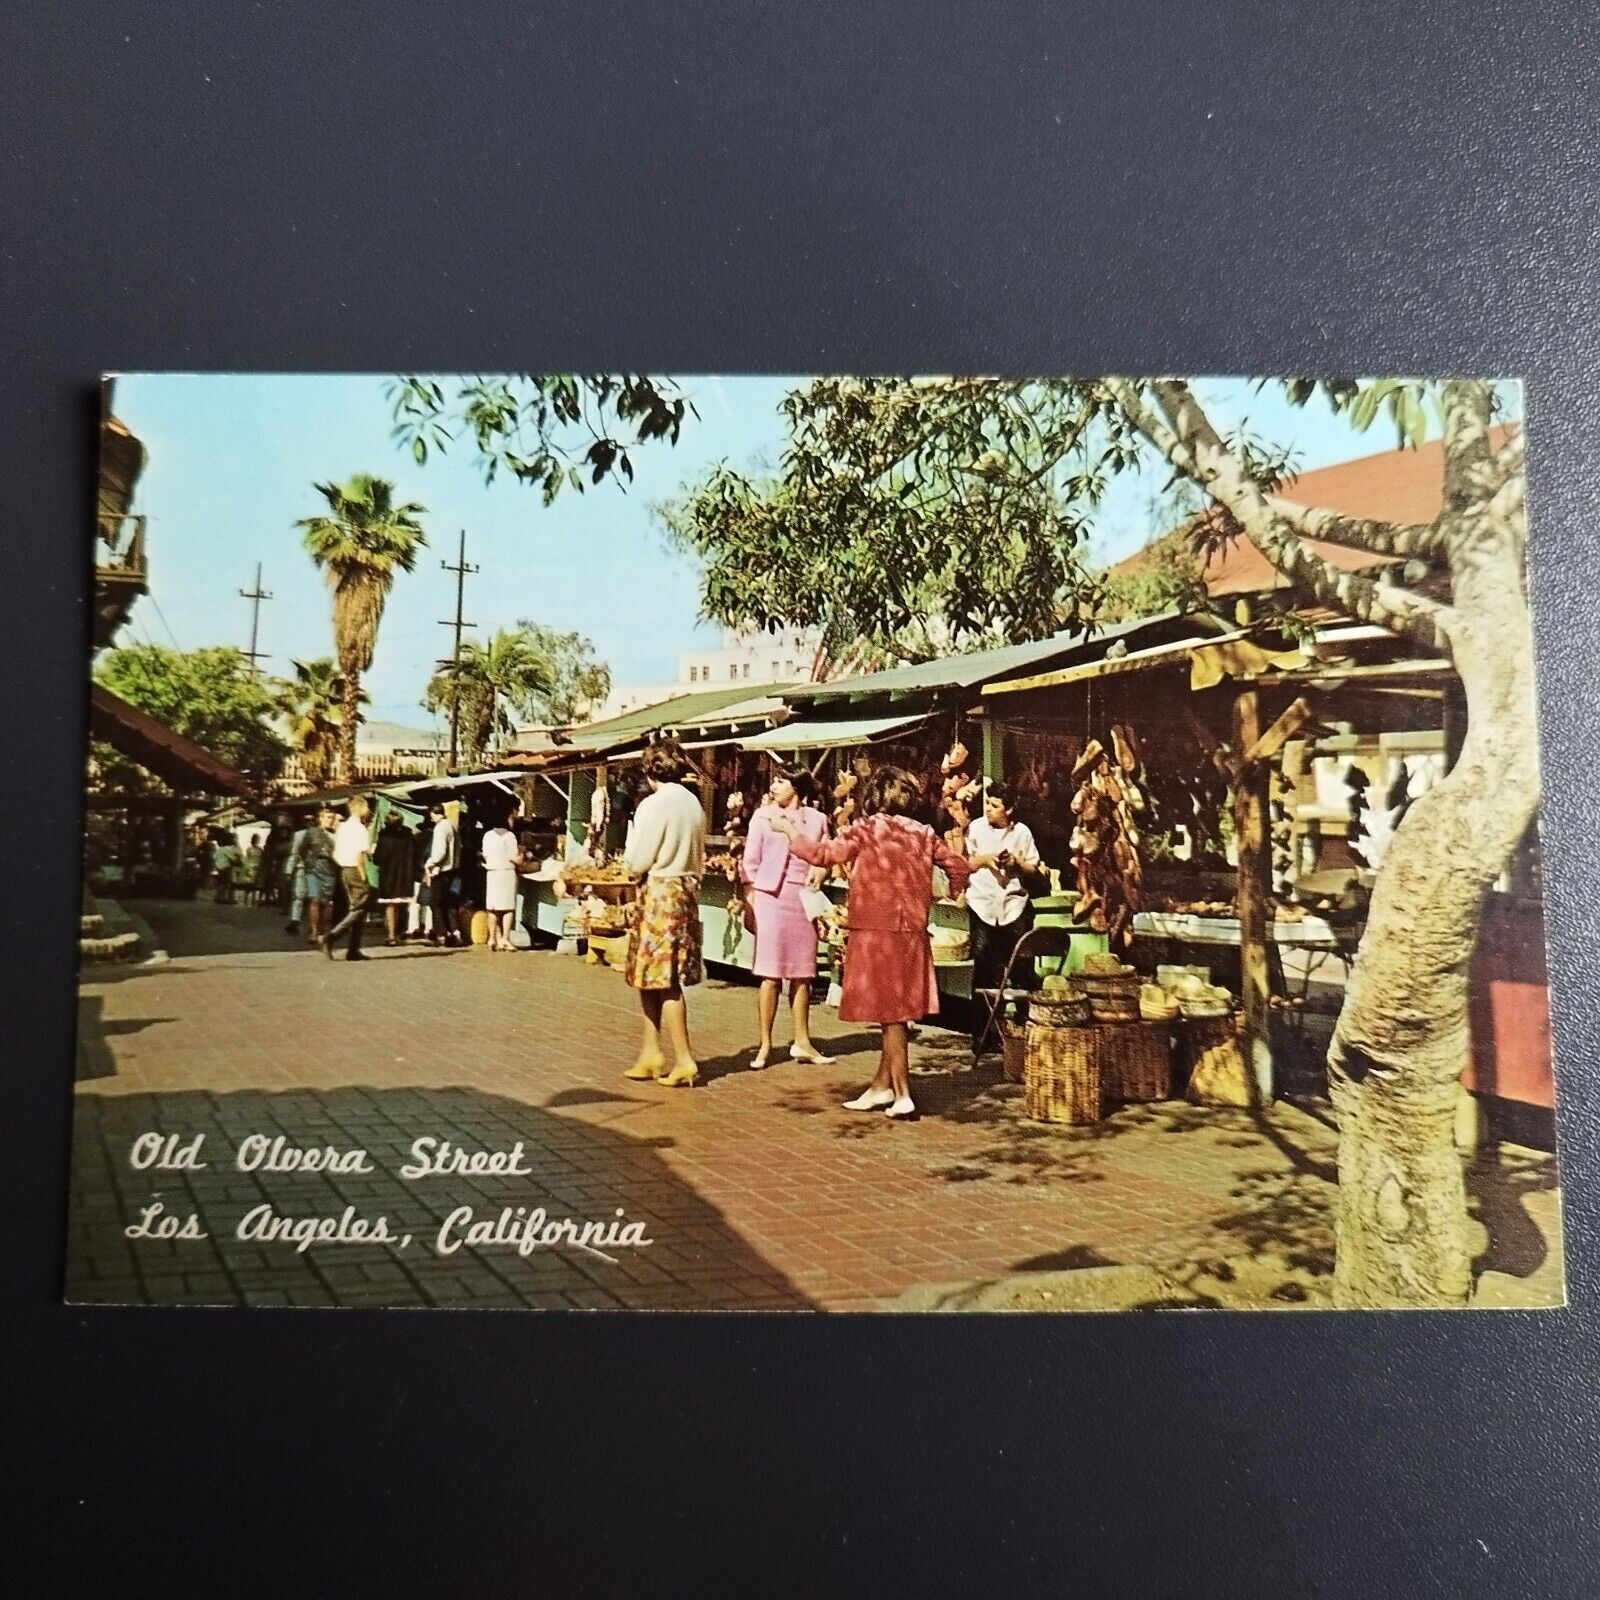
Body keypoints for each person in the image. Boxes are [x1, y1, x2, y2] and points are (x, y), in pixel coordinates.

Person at [772, 763, 971, 1120]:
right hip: (912, 931)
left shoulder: (866, 829)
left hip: (874, 931)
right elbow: (959, 866)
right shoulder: (924, 832)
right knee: (893, 1012)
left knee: (890, 1014)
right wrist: (949, 892)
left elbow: (823, 855)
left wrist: (787, 828)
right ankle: (881, 1086)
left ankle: (903, 1093)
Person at [620, 739, 706, 1088]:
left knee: (661, 979)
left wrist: (630, 863)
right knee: (655, 977)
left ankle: (684, 1059)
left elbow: (637, 860)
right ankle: (650, 1052)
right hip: (685, 891)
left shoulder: (653, 806)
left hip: (658, 892)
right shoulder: (694, 804)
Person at [741, 765, 834, 1070]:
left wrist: (820, 873)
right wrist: (750, 896)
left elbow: (826, 857)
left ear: (798, 786)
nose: (775, 785)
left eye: (782, 781)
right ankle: (765, 1044)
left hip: (802, 899)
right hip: (769, 896)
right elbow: (749, 862)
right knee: (770, 974)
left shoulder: (818, 819)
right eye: (775, 780)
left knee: (802, 974)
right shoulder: (762, 816)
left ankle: (802, 1041)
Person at [963, 783, 1044, 1054]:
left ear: (1008, 809)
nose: (988, 809)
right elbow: (967, 864)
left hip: (1013, 905)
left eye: (995, 805)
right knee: (984, 967)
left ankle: (1024, 1033)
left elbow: (1033, 867)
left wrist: (1016, 863)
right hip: (982, 904)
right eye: (987, 803)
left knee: (1021, 969)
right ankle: (983, 1037)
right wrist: (986, 859)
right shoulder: (975, 828)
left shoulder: (1021, 833)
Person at [318, 796, 374, 961]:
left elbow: (336, 853)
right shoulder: (360, 829)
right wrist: (363, 875)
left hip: (343, 869)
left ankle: (353, 949)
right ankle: (330, 937)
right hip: (355, 869)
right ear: (361, 809)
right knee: (360, 906)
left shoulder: (343, 828)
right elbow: (361, 855)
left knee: (359, 909)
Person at [480, 801, 524, 951]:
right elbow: (514, 857)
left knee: (493, 908)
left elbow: (485, 854)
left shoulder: (487, 836)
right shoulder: (510, 836)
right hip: (507, 873)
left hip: (492, 873)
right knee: (507, 908)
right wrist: (522, 856)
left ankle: (492, 938)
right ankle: (505, 938)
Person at [373, 810, 418, 947]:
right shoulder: (408, 834)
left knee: (390, 904)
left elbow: (378, 858)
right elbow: (414, 854)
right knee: (397, 904)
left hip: (389, 875)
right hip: (404, 874)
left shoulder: (384, 834)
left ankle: (391, 935)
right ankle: (393, 933)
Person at [422, 802, 461, 946]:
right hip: (450, 870)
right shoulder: (451, 825)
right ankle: (450, 932)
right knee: (444, 903)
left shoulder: (440, 828)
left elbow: (439, 852)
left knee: (435, 903)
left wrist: (429, 864)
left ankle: (441, 934)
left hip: (439, 870)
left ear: (432, 813)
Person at [210, 832, 238, 903]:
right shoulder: (228, 849)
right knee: (225, 884)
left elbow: (214, 857)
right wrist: (236, 861)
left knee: (221, 883)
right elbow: (232, 859)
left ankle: (219, 897)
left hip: (219, 868)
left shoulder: (219, 849)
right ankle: (221, 897)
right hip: (226, 868)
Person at [241, 833, 265, 906]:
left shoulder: (260, 849)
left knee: (255, 885)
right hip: (250, 868)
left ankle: (253, 900)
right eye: (257, 839)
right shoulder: (250, 849)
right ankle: (246, 899)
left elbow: (261, 858)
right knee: (248, 885)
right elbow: (247, 858)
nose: (258, 841)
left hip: (257, 868)